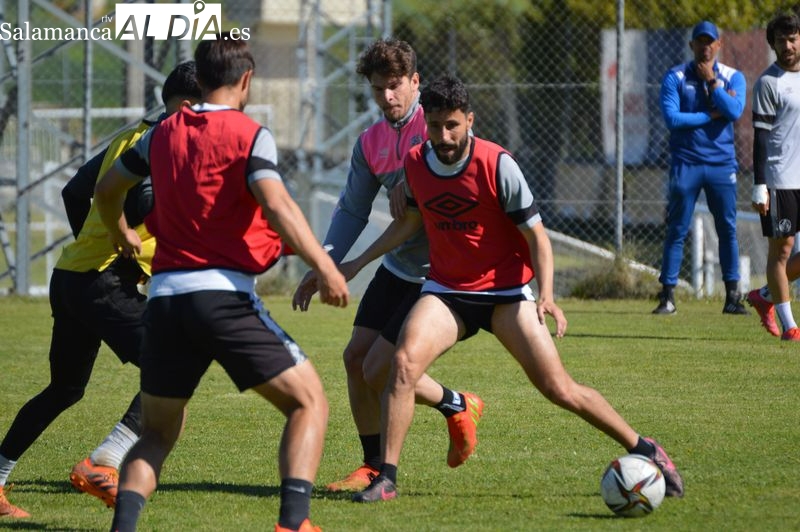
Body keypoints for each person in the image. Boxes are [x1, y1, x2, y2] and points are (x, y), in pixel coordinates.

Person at [336, 75, 685, 503]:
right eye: (436, 126)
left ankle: (644, 448)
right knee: (404, 364)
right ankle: (386, 479)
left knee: (559, 389)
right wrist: (357, 262)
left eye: (453, 126)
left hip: (506, 293)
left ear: (470, 120)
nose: (444, 136)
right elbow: (409, 222)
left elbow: (537, 236)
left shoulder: (497, 163)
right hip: (446, 290)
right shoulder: (416, 162)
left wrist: (547, 295)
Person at [94, 33, 348, 532]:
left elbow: (106, 189)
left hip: (165, 303)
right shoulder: (250, 134)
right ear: (245, 79)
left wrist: (120, 231)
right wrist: (325, 266)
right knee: (308, 402)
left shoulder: (160, 134)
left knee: (156, 436)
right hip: (222, 299)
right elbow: (276, 203)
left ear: (202, 77)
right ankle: (294, 523)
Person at [0, 62, 201, 519]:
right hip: (103, 280)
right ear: (189, 107)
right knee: (175, 362)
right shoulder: (166, 143)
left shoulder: (130, 137)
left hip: (73, 275)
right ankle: (104, 461)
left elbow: (75, 192)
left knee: (65, 388)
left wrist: (97, 244)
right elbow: (142, 201)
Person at [292, 38, 483, 491]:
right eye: (379, 89)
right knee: (355, 358)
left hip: (440, 273)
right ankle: (374, 463)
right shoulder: (370, 142)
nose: (388, 97)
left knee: (381, 367)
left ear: (415, 82)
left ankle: (454, 405)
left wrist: (419, 172)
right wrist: (325, 263)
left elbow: (464, 166)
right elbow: (352, 209)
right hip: (399, 266)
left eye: (395, 85)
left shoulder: (437, 127)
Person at [653, 20, 748, 315]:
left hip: (721, 164)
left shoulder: (732, 77)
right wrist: (710, 115)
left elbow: (734, 111)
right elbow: (673, 119)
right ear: (691, 45)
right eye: (700, 41)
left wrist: (712, 83)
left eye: (710, 42)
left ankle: (732, 297)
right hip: (686, 163)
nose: (705, 47)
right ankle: (668, 296)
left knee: (727, 228)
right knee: (677, 228)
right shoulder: (676, 76)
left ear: (719, 45)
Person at [748, 12, 800, 341]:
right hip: (780, 179)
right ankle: (790, 326)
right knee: (781, 252)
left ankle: (764, 295)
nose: (788, 45)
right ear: (773, 44)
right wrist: (759, 185)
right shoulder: (769, 83)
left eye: (793, 38)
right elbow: (761, 138)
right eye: (781, 40)